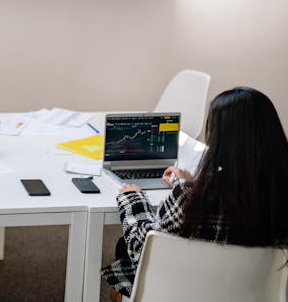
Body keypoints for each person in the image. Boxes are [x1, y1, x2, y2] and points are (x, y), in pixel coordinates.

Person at [100, 86, 288, 301]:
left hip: (179, 293)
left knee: (124, 246)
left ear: (218, 137)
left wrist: (133, 198)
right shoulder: (279, 196)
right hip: (254, 293)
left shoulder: (190, 200)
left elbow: (139, 246)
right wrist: (186, 182)